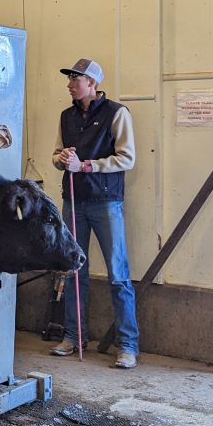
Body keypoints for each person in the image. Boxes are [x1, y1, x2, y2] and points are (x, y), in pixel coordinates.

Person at [51, 58, 140, 370]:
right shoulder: (66, 116)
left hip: (105, 202)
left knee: (118, 274)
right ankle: (73, 336)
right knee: (74, 272)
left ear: (92, 83)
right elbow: (56, 154)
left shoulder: (117, 113)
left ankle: (128, 345)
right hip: (73, 200)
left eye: (76, 79)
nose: (70, 84)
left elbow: (127, 158)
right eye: (70, 79)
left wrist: (86, 166)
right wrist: (61, 159)